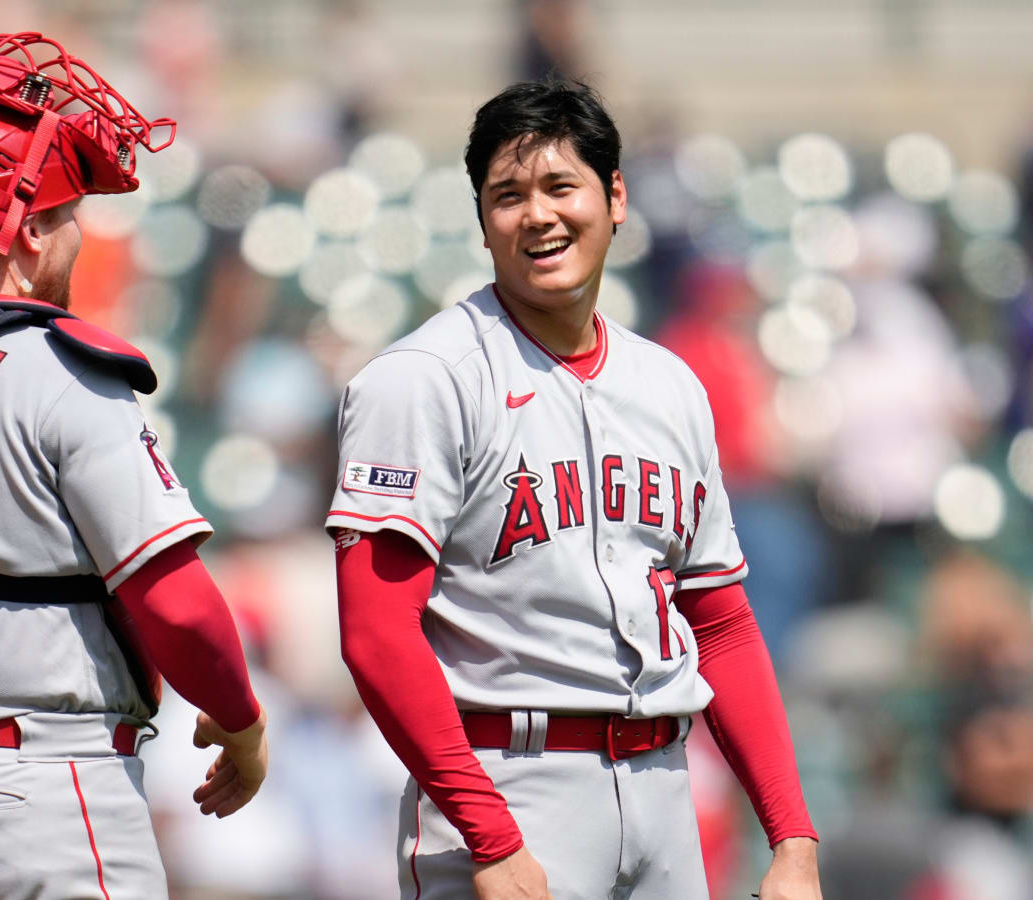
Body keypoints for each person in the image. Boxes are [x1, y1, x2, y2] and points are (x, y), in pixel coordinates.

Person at [327, 79, 821, 900]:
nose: (538, 216)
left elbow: (722, 624)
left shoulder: (671, 385)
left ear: (615, 197)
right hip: (510, 785)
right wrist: (487, 835)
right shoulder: (422, 381)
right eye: (507, 195)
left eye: (562, 186)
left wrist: (792, 837)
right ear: (481, 219)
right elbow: (378, 631)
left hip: (666, 789)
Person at [0, 33, 266, 899]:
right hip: (35, 790)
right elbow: (177, 604)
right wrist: (243, 725)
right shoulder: (54, 363)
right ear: (25, 228)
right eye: (69, 220)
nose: (75, 240)